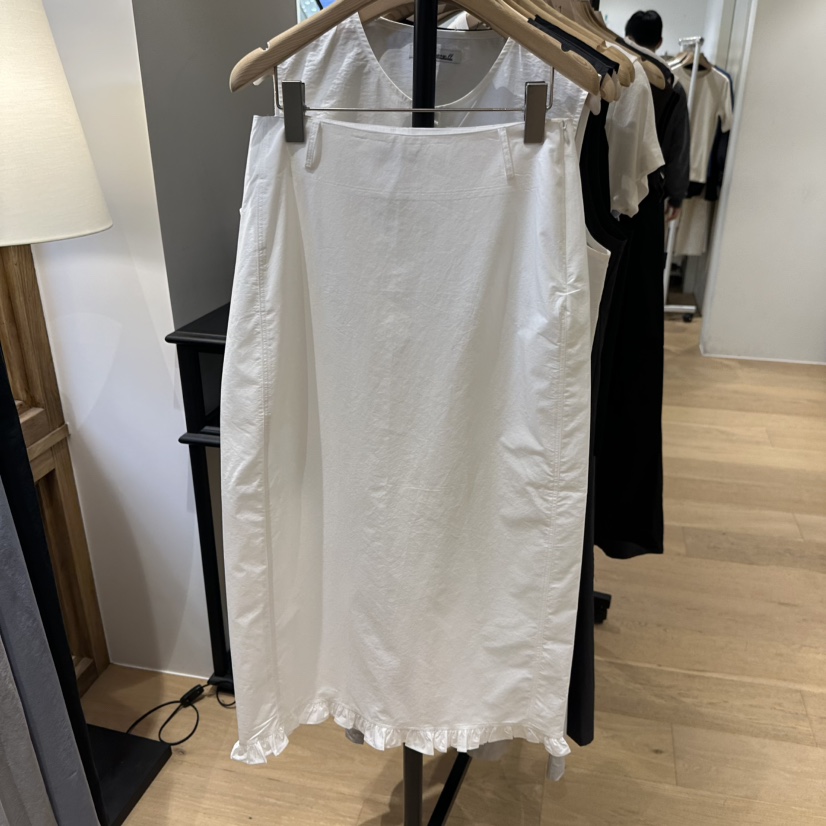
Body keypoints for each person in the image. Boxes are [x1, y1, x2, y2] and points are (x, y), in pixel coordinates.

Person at [625, 10, 689, 222]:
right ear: (660, 42)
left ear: (628, 36)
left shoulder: (612, 68)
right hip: (649, 185)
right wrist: (676, 196)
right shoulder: (673, 87)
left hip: (601, 176)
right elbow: (678, 146)